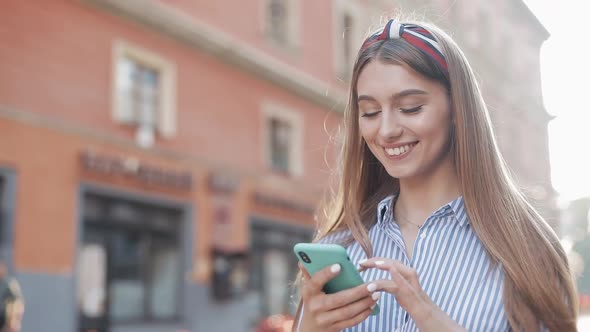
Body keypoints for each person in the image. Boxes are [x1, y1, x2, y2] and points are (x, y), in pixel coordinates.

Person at [293, 18, 578, 332]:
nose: (386, 130)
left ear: (457, 107)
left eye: (411, 107)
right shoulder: (341, 247)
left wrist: (434, 321)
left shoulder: (527, 252)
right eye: (370, 112)